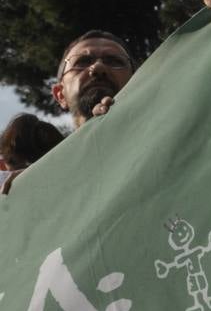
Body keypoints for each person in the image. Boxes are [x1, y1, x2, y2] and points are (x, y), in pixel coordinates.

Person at [1, 31, 135, 195]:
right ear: (60, 95)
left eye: (114, 61)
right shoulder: (43, 187)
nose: (99, 67)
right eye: (82, 62)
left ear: (136, 80)